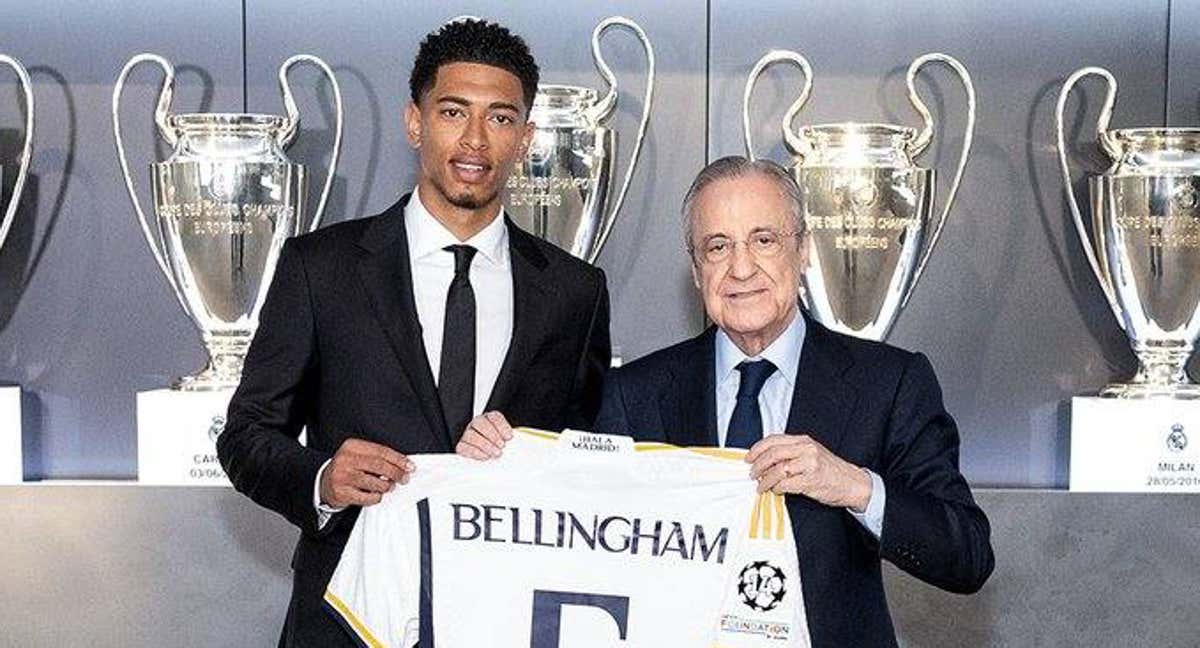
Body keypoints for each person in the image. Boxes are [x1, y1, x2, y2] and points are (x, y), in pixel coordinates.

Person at [458, 156, 992, 647]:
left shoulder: (890, 382)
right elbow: (569, 533)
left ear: (803, 250)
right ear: (696, 270)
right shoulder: (634, 395)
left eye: (763, 240)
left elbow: (966, 555)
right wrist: (500, 464)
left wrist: (853, 486)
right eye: (717, 246)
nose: (740, 268)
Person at [217, 19, 610, 647]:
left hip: (506, 614)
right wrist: (323, 478)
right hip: (348, 613)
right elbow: (245, 436)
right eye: (453, 111)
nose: (475, 139)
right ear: (414, 122)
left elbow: (589, 458)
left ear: (528, 138)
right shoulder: (320, 268)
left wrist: (535, 461)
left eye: (502, 118)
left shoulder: (575, 291)